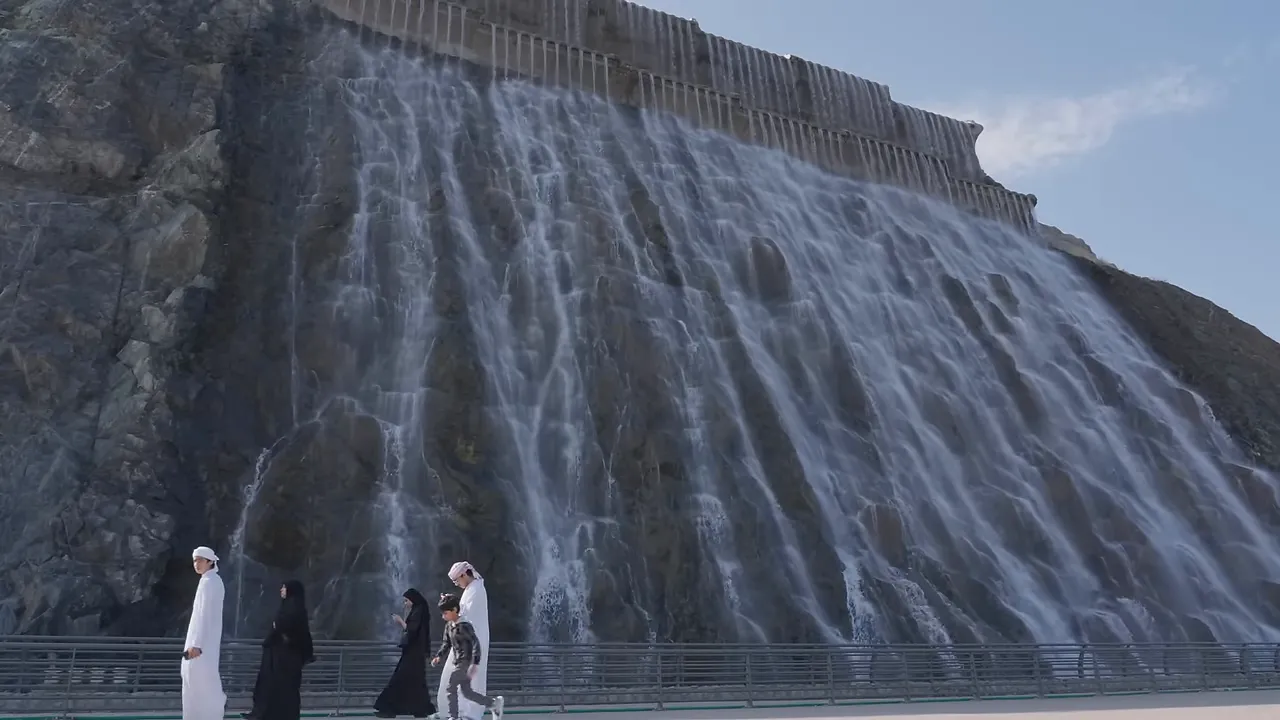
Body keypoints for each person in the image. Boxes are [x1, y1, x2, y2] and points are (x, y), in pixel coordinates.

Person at [244, 580, 315, 720]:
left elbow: (288, 629)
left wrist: (279, 628)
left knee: (282, 689)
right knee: (273, 688)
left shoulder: (294, 609)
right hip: (279, 656)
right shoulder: (289, 607)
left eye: (284, 588)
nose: (281, 590)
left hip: (285, 659)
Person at [431, 594, 504, 720]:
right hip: (457, 661)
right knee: (467, 692)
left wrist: (475, 663)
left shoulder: (465, 626)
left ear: (454, 610)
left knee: (451, 686)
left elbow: (475, 643)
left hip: (466, 661)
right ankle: (493, 703)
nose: (443, 617)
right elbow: (446, 643)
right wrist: (439, 656)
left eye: (446, 613)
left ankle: (453, 716)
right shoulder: (449, 626)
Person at [434, 562, 489, 720]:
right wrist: (449, 603)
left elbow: (465, 614)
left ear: (464, 575)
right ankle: (453, 712)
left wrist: (450, 605)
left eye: (456, 580)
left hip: (468, 643)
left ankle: (466, 713)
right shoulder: (472, 589)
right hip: (461, 642)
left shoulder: (476, 590)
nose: (456, 584)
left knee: (463, 680)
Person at [374, 588, 436, 718]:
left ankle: (389, 709)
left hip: (414, 652)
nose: (405, 603)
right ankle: (421, 709)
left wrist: (400, 621)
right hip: (415, 652)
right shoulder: (419, 610)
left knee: (401, 679)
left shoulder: (418, 611)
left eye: (407, 600)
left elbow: (412, 630)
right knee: (416, 681)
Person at [182, 546, 227, 720]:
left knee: (200, 682)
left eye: (200, 560)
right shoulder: (210, 581)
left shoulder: (210, 582)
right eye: (195, 560)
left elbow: (204, 614)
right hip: (204, 643)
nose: (197, 564)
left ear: (210, 562)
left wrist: (197, 644)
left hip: (201, 646)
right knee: (201, 682)